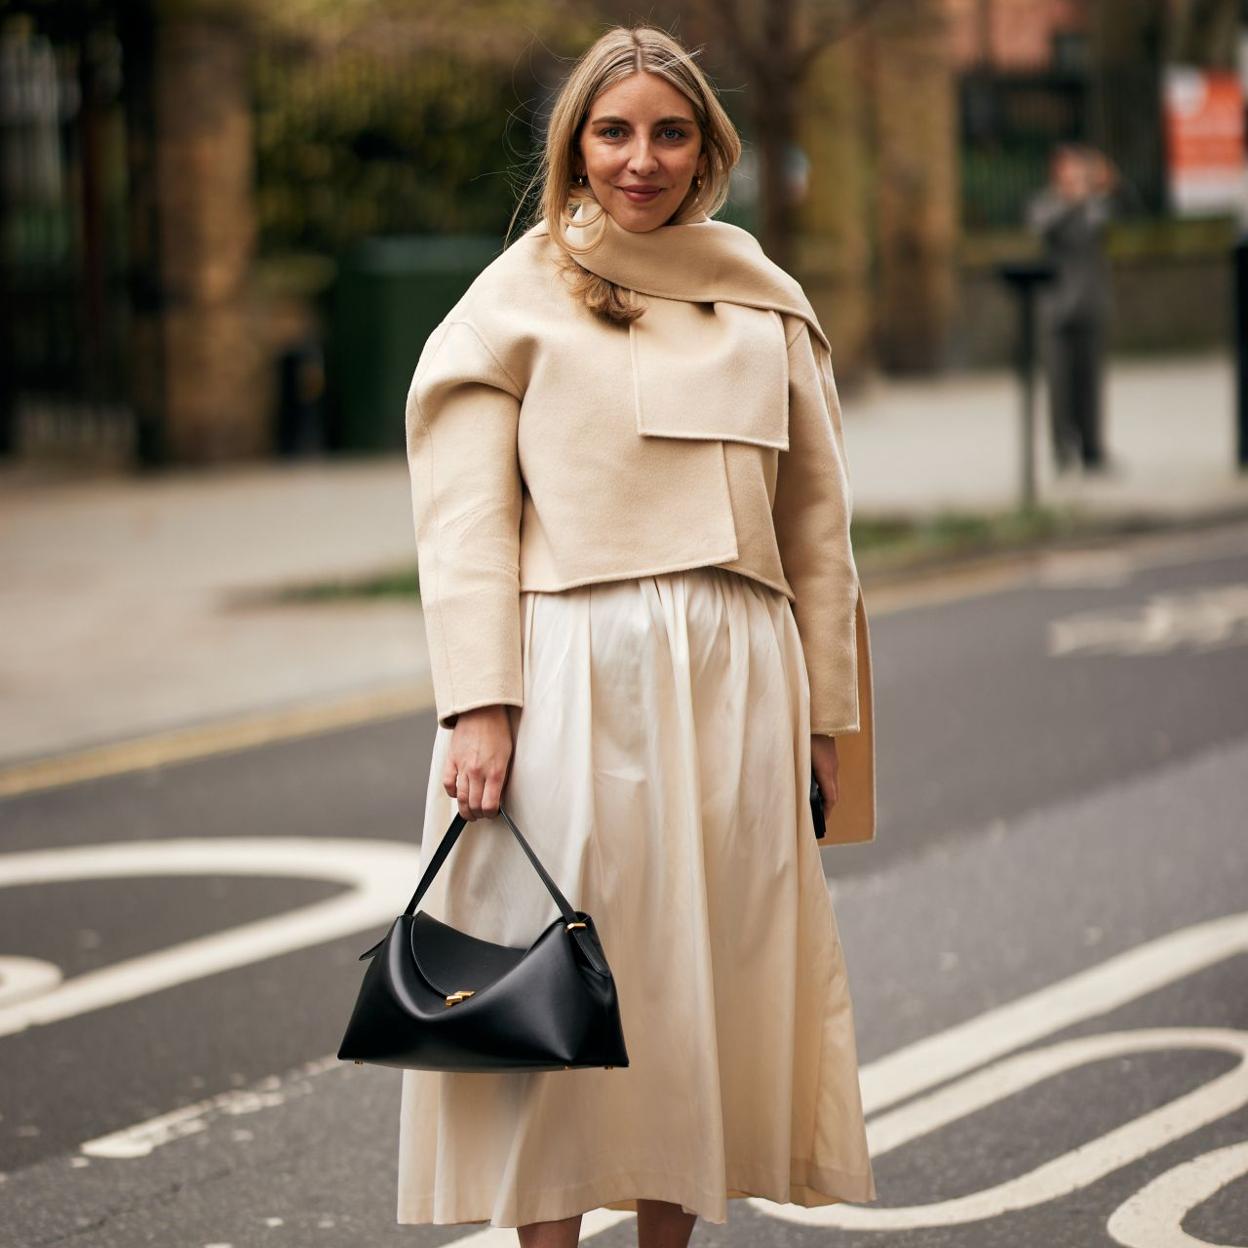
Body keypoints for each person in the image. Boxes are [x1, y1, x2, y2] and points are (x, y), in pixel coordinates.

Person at [395, 24, 879, 1246]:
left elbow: (816, 525)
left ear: (708, 147)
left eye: (670, 132)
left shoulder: (759, 292)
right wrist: (480, 705)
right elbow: (467, 522)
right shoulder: (510, 301)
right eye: (614, 132)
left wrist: (829, 719)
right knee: (550, 971)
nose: (641, 160)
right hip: (570, 673)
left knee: (694, 986)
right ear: (575, 147)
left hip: (737, 678)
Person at [1025, 143, 1122, 474]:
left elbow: (1113, 217)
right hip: (1057, 310)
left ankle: (1093, 449)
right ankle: (1063, 452)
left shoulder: (1095, 206)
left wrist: (1103, 187)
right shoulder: (1046, 204)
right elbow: (1042, 227)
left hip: (1092, 306)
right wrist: (1071, 201)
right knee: (1059, 387)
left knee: (1091, 384)